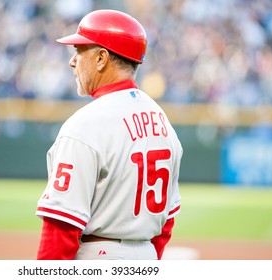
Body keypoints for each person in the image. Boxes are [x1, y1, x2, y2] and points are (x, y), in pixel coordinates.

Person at [36, 9, 182, 260]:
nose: (72, 61)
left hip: (99, 257)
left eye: (79, 51)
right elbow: (165, 224)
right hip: (147, 256)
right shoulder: (162, 122)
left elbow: (60, 229)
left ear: (101, 58)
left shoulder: (85, 125)